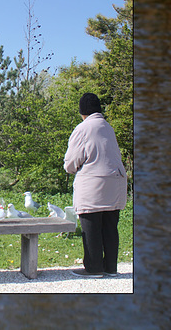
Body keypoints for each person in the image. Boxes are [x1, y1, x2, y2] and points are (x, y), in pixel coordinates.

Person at [64, 93, 127, 278]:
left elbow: (71, 162)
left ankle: (93, 268)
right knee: (109, 226)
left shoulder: (83, 128)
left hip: (93, 183)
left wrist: (73, 168)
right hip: (116, 182)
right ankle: (111, 267)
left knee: (90, 226)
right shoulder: (108, 127)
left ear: (82, 112)